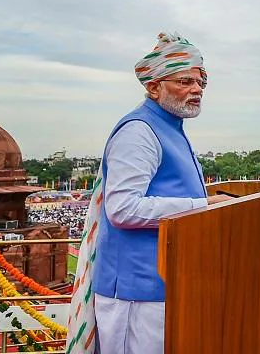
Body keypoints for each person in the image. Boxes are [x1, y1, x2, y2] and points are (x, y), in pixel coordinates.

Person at [66, 32, 231, 354]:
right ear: (153, 87)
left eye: (200, 83)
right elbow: (123, 209)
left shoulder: (169, 128)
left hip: (163, 284)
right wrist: (205, 206)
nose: (196, 89)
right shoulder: (139, 131)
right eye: (185, 82)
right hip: (136, 290)